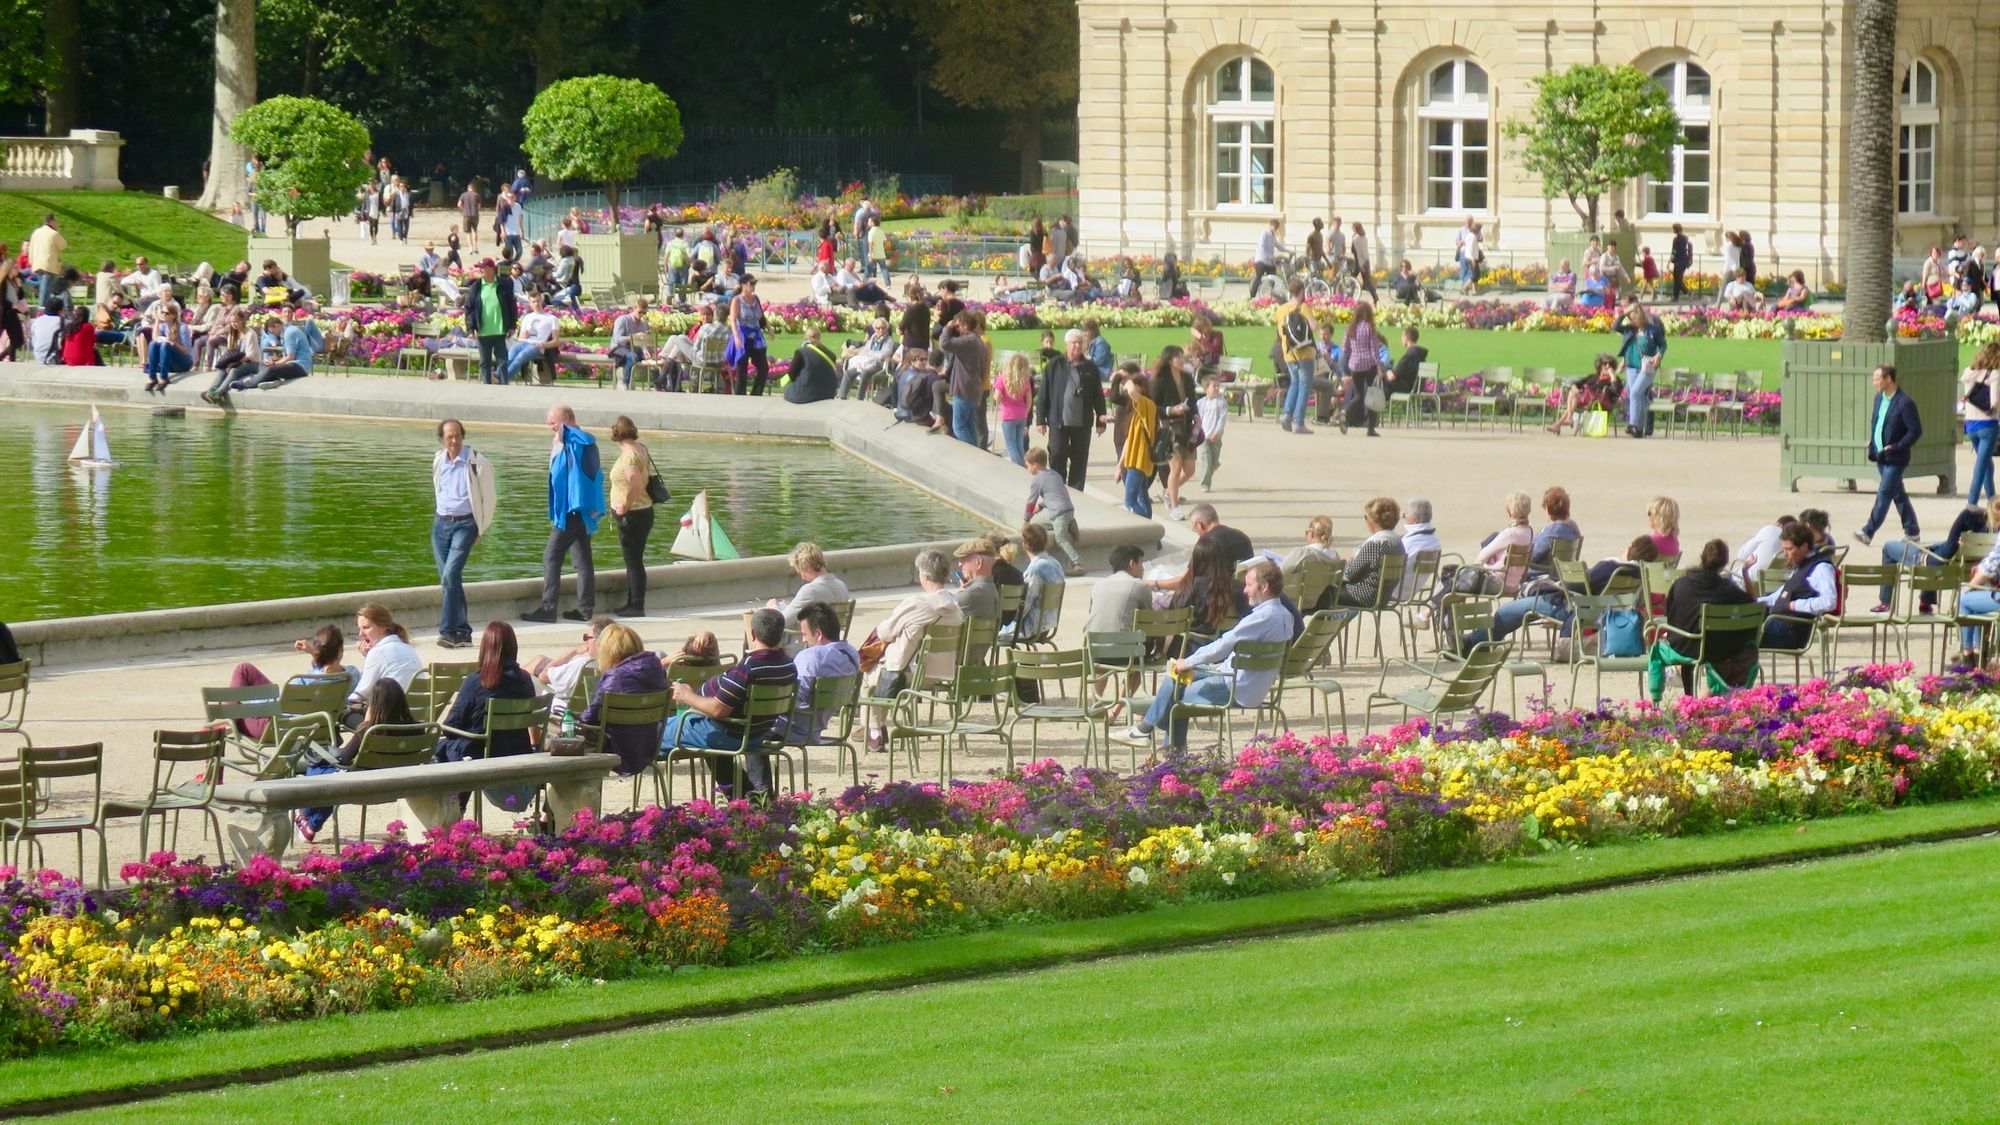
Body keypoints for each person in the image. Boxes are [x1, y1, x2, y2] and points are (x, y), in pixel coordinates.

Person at [1117, 560, 1298, 752]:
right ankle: (1149, 733)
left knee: (1175, 696)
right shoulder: (1286, 615)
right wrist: (1195, 666)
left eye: (1249, 585)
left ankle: (1162, 747)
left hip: (1234, 687)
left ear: (1264, 587)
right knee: (1175, 678)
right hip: (1249, 683)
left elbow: (1223, 646)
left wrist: (1188, 661)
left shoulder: (1261, 617)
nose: (1244, 591)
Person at [659, 609, 797, 798]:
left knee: (656, 731)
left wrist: (686, 695)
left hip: (728, 732)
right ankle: (748, 799)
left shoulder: (748, 668)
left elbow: (718, 710)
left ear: (753, 634)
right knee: (711, 745)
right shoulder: (788, 666)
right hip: (756, 733)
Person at [1460, 536, 1658, 652]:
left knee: (1506, 611)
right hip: (1597, 612)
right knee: (1520, 610)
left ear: (1631, 549)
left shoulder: (1612, 566)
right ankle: (1482, 640)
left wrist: (1555, 584)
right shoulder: (1636, 573)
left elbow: (1580, 586)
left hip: (1571, 607)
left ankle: (1473, 642)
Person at [862, 549, 965, 749]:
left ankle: (875, 729)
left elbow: (884, 632)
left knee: (868, 675)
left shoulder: (917, 603)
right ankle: (875, 726)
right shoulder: (956, 607)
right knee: (885, 669)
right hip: (942, 672)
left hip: (911, 673)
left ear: (925, 576)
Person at [295, 678, 415, 841]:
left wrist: (366, 720)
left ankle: (306, 815)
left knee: (316, 768)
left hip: (361, 788)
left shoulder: (368, 731)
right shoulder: (417, 729)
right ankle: (310, 824)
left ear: (375, 704)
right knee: (333, 777)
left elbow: (344, 759)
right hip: (396, 787)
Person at [523, 405, 604, 624]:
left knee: (551, 556)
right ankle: (585, 609)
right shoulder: (579, 441)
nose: (551, 428)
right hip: (581, 508)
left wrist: (564, 435)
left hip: (571, 510)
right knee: (583, 559)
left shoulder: (575, 440)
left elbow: (565, 475)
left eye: (554, 423)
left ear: (567, 420)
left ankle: (549, 608)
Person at [1651, 538, 1761, 697]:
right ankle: (1711, 694)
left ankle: (1664, 699)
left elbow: (1671, 614)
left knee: (1663, 643)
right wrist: (1745, 574)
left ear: (1702, 557)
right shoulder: (1728, 590)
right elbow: (1754, 606)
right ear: (1723, 564)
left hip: (1684, 646)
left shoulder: (1681, 584)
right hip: (1718, 651)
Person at [430, 419, 496, 649]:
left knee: (450, 576)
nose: (454, 441)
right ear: (442, 438)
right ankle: (463, 632)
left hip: (466, 524)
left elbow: (490, 499)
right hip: (441, 525)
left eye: (457, 435)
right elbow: (438, 488)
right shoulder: (439, 459)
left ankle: (448, 631)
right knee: (450, 580)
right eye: (449, 436)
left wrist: (481, 527)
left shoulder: (477, 462)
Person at [222, 625, 354, 740]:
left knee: (233, 716)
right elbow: (328, 671)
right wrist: (315, 653)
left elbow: (275, 706)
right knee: (245, 670)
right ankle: (227, 718)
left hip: (277, 729)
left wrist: (247, 704)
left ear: (319, 649)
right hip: (315, 728)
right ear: (341, 649)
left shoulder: (304, 680)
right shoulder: (351, 676)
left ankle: (221, 725)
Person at [434, 621, 538, 764]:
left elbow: (451, 726)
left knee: (438, 750)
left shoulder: (477, 682)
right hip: (518, 751)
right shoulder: (525, 679)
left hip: (480, 755)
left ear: (485, 648)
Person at [575, 623, 668, 777]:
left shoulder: (615, 678)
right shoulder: (657, 672)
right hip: (648, 746)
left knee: (561, 739)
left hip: (617, 747)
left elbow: (589, 719)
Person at [1855, 364, 1923, 547]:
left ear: (1888, 379)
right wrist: (1873, 445)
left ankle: (1868, 531)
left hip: (1897, 457)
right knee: (1897, 494)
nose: (1874, 383)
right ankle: (1912, 530)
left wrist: (1898, 446)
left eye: (1877, 379)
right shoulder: (1879, 398)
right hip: (1880, 456)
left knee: (1884, 492)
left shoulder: (1905, 403)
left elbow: (1915, 431)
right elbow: (1877, 423)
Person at [1036, 328, 1109, 490]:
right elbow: (1044, 393)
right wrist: (1040, 419)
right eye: (1074, 342)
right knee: (1057, 454)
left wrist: (1101, 420)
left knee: (1080, 459)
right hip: (1058, 420)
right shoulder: (1055, 365)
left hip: (1081, 423)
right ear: (1067, 344)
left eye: (1080, 342)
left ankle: (1076, 492)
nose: (1077, 345)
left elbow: (1098, 395)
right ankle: (1058, 488)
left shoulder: (1090, 368)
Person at [604, 416, 659, 618]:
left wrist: (624, 507)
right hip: (644, 511)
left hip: (633, 514)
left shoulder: (629, 456)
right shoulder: (641, 448)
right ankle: (632, 602)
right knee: (635, 559)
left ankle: (636, 605)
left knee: (633, 560)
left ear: (616, 434)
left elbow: (635, 484)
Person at [789, 602, 860, 744]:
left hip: (792, 729)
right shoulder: (852, 655)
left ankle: (756, 767)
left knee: (747, 727)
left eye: (805, 634)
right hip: (816, 727)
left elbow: (795, 697)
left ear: (818, 634)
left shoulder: (811, 656)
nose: (803, 639)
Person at [1759, 523, 1837, 651]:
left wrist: (1794, 605)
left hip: (1790, 633)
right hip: (1776, 623)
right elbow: (1776, 597)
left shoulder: (1820, 568)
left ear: (1804, 547)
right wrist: (1749, 602)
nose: (1785, 554)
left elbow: (1829, 602)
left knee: (1740, 635)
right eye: (1784, 549)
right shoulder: (1800, 566)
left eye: (1789, 549)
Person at [531, 615, 613, 720]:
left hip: (567, 712)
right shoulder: (618, 664)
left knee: (527, 678)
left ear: (597, 641)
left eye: (587, 638)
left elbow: (543, 676)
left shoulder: (583, 664)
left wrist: (573, 652)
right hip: (595, 713)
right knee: (539, 659)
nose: (585, 641)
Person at [349, 603, 422, 711]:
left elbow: (359, 695)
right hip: (417, 720)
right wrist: (368, 656)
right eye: (360, 629)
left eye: (366, 627)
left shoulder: (378, 653)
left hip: (389, 722)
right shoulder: (407, 648)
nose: (361, 634)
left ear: (383, 626)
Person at [1334, 497, 1406, 608]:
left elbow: (1348, 575)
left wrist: (1347, 562)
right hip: (1382, 597)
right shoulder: (1398, 543)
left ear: (1373, 521)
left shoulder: (1376, 544)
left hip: (1363, 596)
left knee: (1321, 595)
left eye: (1366, 517)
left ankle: (1306, 625)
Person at [1024, 446, 1083, 574]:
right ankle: (1069, 523)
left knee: (1060, 538)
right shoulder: (1055, 474)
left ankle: (1076, 563)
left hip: (1059, 513)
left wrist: (1026, 519)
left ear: (1036, 465)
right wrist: (1041, 505)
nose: (1027, 468)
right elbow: (1056, 494)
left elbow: (1030, 502)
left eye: (1028, 465)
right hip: (1067, 510)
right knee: (1038, 525)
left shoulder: (1037, 480)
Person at [939, 311, 992, 445]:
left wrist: (948, 327)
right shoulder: (978, 340)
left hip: (964, 389)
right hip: (973, 388)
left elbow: (944, 343)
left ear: (965, 325)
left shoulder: (969, 341)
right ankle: (975, 452)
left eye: (958, 326)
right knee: (969, 426)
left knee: (959, 427)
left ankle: (970, 452)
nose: (956, 329)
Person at [1615, 300, 1667, 438]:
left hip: (1647, 367)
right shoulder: (1629, 329)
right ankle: (1640, 428)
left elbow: (1663, 345)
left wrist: (1659, 355)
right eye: (1631, 319)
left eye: (1634, 319)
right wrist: (1624, 313)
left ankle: (1632, 424)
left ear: (1641, 317)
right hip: (1631, 367)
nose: (1632, 322)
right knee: (1639, 396)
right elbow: (1615, 326)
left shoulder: (1652, 330)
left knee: (1635, 393)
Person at [1111, 367, 1158, 517]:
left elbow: (1131, 391)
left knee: (1130, 501)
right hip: (1133, 460)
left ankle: (1145, 527)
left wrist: (1126, 378)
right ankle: (1149, 532)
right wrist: (1120, 466)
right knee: (1142, 496)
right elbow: (1128, 441)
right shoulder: (1137, 411)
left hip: (1139, 460)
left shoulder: (1147, 405)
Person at [768, 542, 850, 627]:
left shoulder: (810, 591)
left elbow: (782, 621)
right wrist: (791, 606)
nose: (802, 577)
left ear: (806, 567)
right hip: (831, 634)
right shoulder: (842, 585)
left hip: (809, 637)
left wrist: (773, 608)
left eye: (800, 572)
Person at [461, 259, 516, 385]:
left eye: (483, 268)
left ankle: (504, 384)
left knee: (502, 361)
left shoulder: (504, 284)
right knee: (485, 362)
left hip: (500, 330)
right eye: (480, 268)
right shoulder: (476, 286)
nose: (480, 270)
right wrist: (471, 328)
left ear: (491, 269)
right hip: (483, 331)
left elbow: (512, 306)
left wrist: (512, 325)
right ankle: (486, 386)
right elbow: (469, 308)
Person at [1276, 278, 1319, 433]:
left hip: (1288, 352)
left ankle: (1287, 414)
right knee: (1304, 386)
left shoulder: (1281, 310)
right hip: (1305, 351)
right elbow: (1314, 326)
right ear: (1301, 291)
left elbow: (1281, 333)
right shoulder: (1303, 307)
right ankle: (1299, 422)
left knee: (1294, 383)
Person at [1339, 300, 1385, 436]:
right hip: (1369, 364)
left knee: (1358, 396)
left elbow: (1345, 348)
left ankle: (1345, 412)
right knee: (1372, 394)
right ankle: (1370, 428)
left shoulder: (1350, 328)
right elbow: (1374, 349)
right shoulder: (1369, 328)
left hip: (1355, 364)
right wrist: (1378, 367)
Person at [1548, 354, 1624, 435]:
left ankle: (1562, 422)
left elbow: (1615, 391)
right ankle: (1567, 419)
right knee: (1572, 392)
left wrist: (1612, 375)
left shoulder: (1615, 379)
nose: (1608, 366)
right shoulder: (1592, 377)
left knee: (1574, 397)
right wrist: (1575, 388)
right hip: (1587, 400)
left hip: (1601, 402)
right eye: (1605, 364)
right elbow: (1575, 384)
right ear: (1600, 366)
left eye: (1610, 365)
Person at [1963, 344, 2000, 508]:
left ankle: (1992, 500)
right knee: (1982, 464)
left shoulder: (1968, 372)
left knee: (1986, 464)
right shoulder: (1994, 374)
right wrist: (1993, 409)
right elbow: (1995, 401)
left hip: (1971, 424)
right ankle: (1972, 502)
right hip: (1988, 424)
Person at [505, 294, 562, 385]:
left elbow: (556, 341)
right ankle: (498, 376)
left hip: (537, 345)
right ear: (530, 304)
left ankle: (502, 378)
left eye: (538, 301)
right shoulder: (527, 317)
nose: (536, 304)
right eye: (534, 302)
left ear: (542, 301)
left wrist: (544, 345)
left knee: (520, 357)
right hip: (524, 342)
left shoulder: (552, 318)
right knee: (510, 356)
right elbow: (520, 338)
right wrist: (525, 336)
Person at [729, 275, 772, 395]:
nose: (753, 286)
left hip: (756, 337)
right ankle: (740, 396)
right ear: (743, 285)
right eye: (751, 283)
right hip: (743, 336)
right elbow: (733, 320)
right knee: (742, 369)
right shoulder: (737, 300)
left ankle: (756, 393)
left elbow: (761, 316)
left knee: (763, 367)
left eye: (754, 283)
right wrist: (736, 336)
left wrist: (769, 328)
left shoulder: (755, 298)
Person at [992, 352, 1035, 465]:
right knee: (1019, 443)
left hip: (1008, 416)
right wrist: (1026, 411)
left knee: (1011, 445)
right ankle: (1022, 464)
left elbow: (996, 396)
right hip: (1022, 415)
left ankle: (1018, 466)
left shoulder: (1002, 379)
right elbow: (1029, 400)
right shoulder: (1025, 381)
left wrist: (1000, 400)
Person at [782, 322, 841, 405]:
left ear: (806, 337)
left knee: (788, 390)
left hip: (807, 393)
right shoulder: (831, 355)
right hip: (828, 392)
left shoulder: (801, 352)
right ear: (820, 338)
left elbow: (792, 374)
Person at [140, 304, 194, 392]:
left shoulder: (183, 327)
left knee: (166, 345)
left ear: (174, 315)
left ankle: (164, 378)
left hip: (184, 363)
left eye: (167, 313)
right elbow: (155, 339)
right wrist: (157, 320)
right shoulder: (163, 326)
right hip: (169, 363)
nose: (164, 315)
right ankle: (152, 377)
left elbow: (186, 351)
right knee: (153, 343)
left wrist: (174, 342)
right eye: (162, 313)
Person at [1735, 514, 1796, 591]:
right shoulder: (1794, 542)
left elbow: (1741, 555)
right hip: (1776, 586)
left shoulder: (1770, 530)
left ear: (1778, 524)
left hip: (1749, 581)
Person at [1195, 376, 1228, 492]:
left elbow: (1222, 419)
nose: (1217, 388)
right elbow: (1197, 419)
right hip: (1203, 437)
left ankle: (1212, 467)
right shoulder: (1200, 403)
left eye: (1218, 386)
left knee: (1213, 462)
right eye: (1213, 386)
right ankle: (1205, 484)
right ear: (1206, 388)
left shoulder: (1221, 402)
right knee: (1206, 460)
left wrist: (1217, 432)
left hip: (1215, 437)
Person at [27, 214, 65, 305]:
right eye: (56, 221)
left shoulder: (36, 232)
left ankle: (43, 307)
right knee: (46, 289)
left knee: (43, 287)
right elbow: (63, 245)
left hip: (37, 264)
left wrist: (31, 260)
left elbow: (31, 247)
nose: (57, 224)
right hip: (48, 265)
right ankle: (42, 308)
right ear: (51, 221)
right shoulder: (53, 233)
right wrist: (57, 231)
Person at [1252, 219, 1286, 298]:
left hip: (1269, 262)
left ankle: (1270, 295)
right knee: (1258, 277)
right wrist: (1270, 256)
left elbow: (1278, 245)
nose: (1276, 229)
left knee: (1273, 278)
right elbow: (1262, 247)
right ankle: (1252, 296)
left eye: (1277, 227)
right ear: (1270, 225)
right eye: (1275, 227)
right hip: (1261, 260)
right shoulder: (1264, 234)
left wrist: (1287, 250)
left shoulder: (1272, 235)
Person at [28, 297, 64, 364]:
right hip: (53, 358)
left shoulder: (37, 321)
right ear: (60, 310)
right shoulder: (62, 321)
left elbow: (33, 340)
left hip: (38, 356)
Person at [1669, 223, 1693, 301]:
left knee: (1677, 279)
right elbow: (1689, 249)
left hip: (1678, 261)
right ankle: (1687, 292)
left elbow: (1674, 251)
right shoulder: (1686, 238)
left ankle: (1676, 297)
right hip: (1684, 260)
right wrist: (1690, 259)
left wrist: (1671, 259)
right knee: (1678, 278)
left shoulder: (1676, 239)